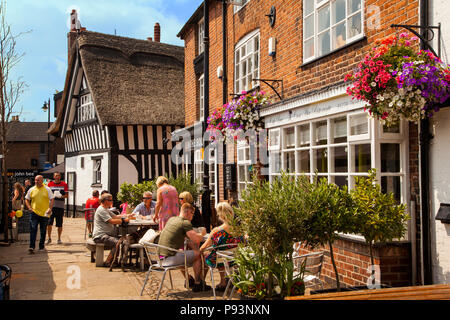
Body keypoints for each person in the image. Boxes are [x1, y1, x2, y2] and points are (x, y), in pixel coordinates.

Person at [157, 203, 210, 292]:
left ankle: (189, 280)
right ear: (188, 212)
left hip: (161, 256)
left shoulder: (172, 219)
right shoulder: (185, 222)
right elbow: (196, 239)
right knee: (198, 255)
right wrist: (203, 233)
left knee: (187, 251)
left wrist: (195, 248)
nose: (192, 217)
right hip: (170, 259)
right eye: (192, 214)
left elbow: (187, 239)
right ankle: (198, 284)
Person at [200, 202, 244, 292]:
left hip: (218, 260)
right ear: (231, 212)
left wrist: (201, 250)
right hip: (234, 259)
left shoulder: (216, 231)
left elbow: (204, 247)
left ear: (220, 215)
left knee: (204, 255)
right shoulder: (239, 229)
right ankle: (222, 282)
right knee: (221, 253)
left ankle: (201, 282)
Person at [92, 193, 129, 267]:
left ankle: (115, 261)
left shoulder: (105, 209)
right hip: (100, 236)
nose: (112, 202)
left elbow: (115, 216)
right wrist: (124, 221)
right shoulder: (101, 210)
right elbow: (111, 221)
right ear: (105, 201)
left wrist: (127, 215)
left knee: (123, 240)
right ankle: (108, 262)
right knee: (118, 243)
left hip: (106, 235)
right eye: (110, 200)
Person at [25, 175, 54, 254]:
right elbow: (27, 199)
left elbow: (52, 199)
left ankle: (41, 246)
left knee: (43, 231)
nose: (36, 181)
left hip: (44, 214)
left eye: (38, 180)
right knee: (33, 229)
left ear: (42, 180)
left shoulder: (47, 189)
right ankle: (32, 246)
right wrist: (29, 207)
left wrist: (50, 208)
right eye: (35, 180)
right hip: (34, 213)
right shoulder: (31, 189)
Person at [47, 172, 68, 244]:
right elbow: (47, 194)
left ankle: (59, 238)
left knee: (59, 224)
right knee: (49, 223)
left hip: (60, 206)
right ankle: (49, 238)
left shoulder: (64, 184)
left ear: (60, 177)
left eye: (58, 176)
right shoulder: (49, 184)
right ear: (53, 176)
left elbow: (67, 195)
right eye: (56, 176)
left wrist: (61, 196)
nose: (57, 177)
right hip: (51, 207)